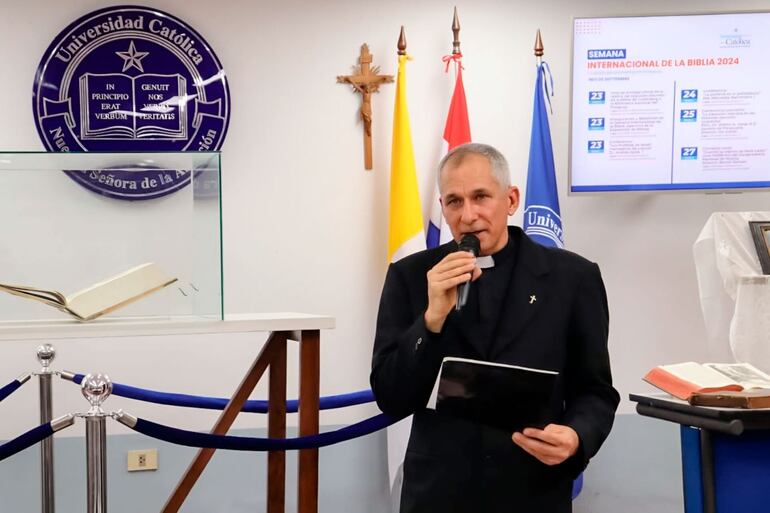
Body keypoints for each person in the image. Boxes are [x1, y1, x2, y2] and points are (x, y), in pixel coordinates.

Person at [370, 143, 619, 513]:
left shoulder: (573, 278)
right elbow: (391, 397)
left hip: (532, 491)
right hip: (438, 494)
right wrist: (431, 319)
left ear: (511, 199)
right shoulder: (411, 277)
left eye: (481, 197)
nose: (468, 215)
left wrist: (576, 436)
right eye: (454, 202)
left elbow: (595, 391)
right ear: (442, 209)